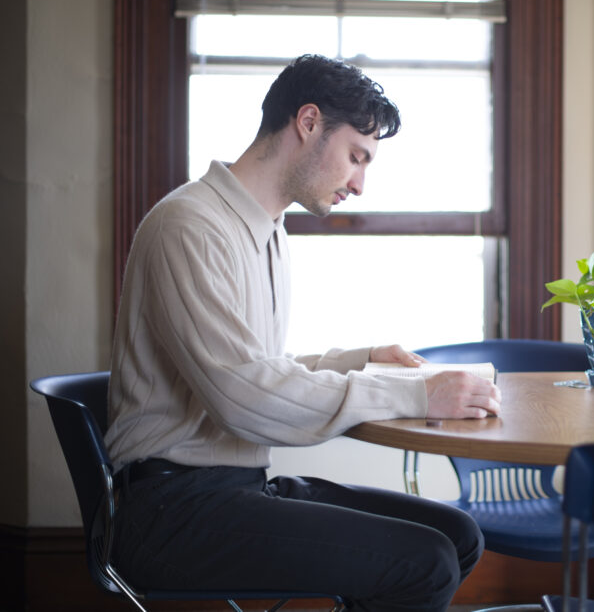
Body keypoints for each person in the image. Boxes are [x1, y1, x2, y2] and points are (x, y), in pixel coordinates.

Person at [104, 54, 502, 611]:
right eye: (356, 157)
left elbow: (261, 366)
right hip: (172, 508)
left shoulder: (265, 230)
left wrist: (364, 360)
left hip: (233, 487)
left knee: (458, 537)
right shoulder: (189, 225)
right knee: (424, 564)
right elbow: (242, 397)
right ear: (308, 122)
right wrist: (415, 393)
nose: (360, 184)